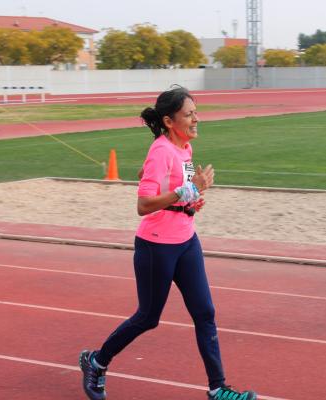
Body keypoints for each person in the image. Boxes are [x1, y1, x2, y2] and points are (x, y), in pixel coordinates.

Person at [79, 86, 257, 400]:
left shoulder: (185, 149)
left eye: (195, 112)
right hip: (156, 246)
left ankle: (219, 389)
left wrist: (192, 201)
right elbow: (144, 204)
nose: (195, 119)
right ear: (169, 120)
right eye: (188, 114)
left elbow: (180, 195)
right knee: (148, 317)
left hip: (186, 240)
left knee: (205, 313)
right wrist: (188, 192)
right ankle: (96, 361)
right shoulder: (161, 151)